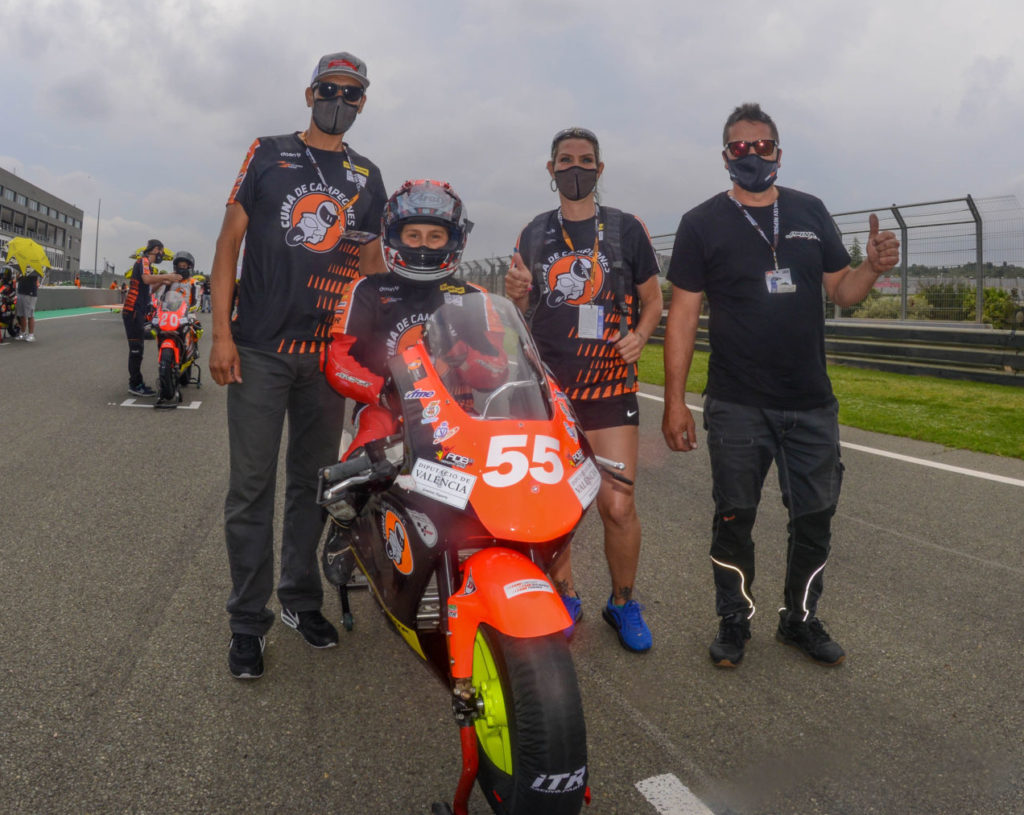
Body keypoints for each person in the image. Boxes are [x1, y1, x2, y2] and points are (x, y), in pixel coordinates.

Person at [661, 103, 900, 668]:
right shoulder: (701, 223)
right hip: (737, 402)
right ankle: (733, 621)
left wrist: (872, 267)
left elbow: (842, 291)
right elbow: (683, 319)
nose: (752, 155)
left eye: (761, 146)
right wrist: (675, 403)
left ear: (778, 153)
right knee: (734, 515)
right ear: (725, 157)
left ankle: (800, 619)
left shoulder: (810, 211)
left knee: (815, 517)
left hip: (810, 403)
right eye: (740, 148)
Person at [209, 51, 387, 681]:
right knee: (250, 490)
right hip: (258, 349)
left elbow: (371, 271)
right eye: (330, 88)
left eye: (352, 92)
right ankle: (246, 622)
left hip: (326, 359)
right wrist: (221, 334)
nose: (340, 98)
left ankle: (300, 599)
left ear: (363, 102)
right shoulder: (267, 151)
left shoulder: (368, 175)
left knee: (313, 488)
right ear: (310, 91)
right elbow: (230, 242)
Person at [505, 127, 664, 653]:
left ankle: (623, 602)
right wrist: (516, 296)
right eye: (566, 160)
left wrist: (641, 336)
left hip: (610, 389)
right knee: (555, 506)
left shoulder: (627, 228)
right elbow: (521, 313)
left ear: (601, 168)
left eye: (587, 159)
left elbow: (653, 300)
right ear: (550, 170)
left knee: (617, 506)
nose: (577, 167)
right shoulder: (531, 232)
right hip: (549, 393)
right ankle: (564, 593)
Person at [321, 179, 488, 578]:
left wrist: (462, 352)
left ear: (454, 239)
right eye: (413, 234)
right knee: (357, 469)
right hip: (386, 410)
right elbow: (337, 361)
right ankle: (344, 527)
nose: (424, 245)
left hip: (459, 414)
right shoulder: (367, 289)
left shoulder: (473, 296)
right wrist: (383, 389)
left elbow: (497, 370)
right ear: (393, 236)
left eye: (435, 235)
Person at [123, 239, 180, 395]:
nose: (161, 255)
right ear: (156, 249)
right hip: (133, 309)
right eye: (161, 251)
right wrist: (167, 276)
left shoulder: (149, 266)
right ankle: (135, 384)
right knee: (136, 349)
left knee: (139, 348)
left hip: (139, 310)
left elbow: (149, 290)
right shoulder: (143, 261)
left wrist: (163, 282)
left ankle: (136, 382)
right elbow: (146, 279)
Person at [15, 264, 45, 342]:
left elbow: (38, 277)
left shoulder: (35, 267)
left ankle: (31, 335)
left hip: (30, 293)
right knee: (21, 314)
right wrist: (19, 273)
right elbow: (17, 278)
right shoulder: (22, 266)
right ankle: (22, 333)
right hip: (21, 291)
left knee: (29, 314)